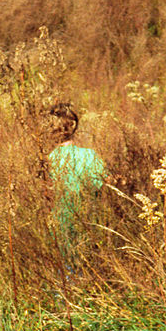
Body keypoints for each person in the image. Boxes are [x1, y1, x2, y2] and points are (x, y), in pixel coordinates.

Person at [46, 102, 106, 274]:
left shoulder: (48, 160)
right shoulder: (90, 156)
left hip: (59, 227)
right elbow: (105, 185)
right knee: (87, 270)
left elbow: (46, 195)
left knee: (64, 272)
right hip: (88, 223)